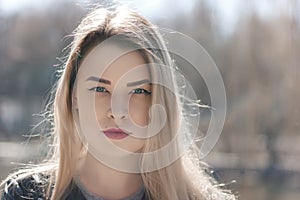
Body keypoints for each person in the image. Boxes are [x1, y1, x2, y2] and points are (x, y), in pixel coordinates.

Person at [0, 5, 236, 200]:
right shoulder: (23, 195)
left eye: (139, 91)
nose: (117, 110)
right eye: (100, 88)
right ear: (74, 97)